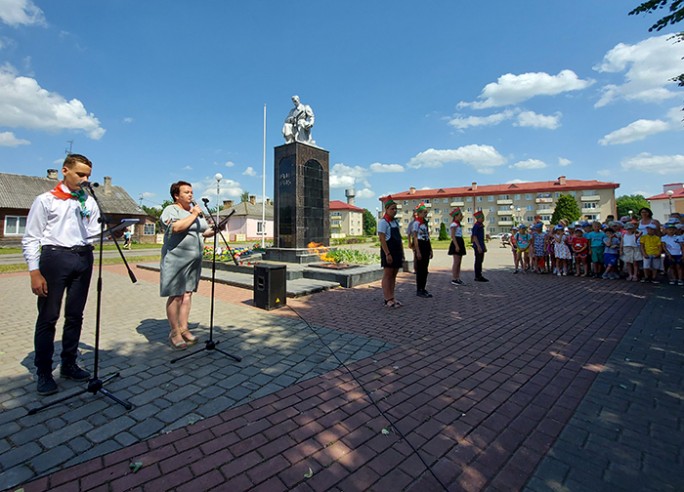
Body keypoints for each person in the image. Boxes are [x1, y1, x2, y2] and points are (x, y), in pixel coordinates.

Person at [22, 154, 101, 395]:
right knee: (49, 316)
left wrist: (109, 233)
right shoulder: (46, 200)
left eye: (88, 175)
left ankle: (69, 363)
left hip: (83, 257)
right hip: (55, 258)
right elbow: (32, 237)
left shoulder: (88, 201)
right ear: (65, 170)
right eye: (80, 174)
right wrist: (34, 271)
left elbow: (94, 232)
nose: (85, 179)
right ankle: (44, 371)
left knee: (75, 315)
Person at [160, 181, 218, 349]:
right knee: (176, 295)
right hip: (176, 259)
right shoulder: (171, 210)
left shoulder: (195, 212)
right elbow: (176, 228)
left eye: (191, 192)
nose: (191, 195)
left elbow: (203, 232)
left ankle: (184, 329)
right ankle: (174, 332)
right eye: (186, 192)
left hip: (194, 260)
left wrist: (216, 229)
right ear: (176, 195)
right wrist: (193, 214)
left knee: (187, 294)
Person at [378, 197, 404, 307]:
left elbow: (399, 239)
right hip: (388, 251)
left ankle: (392, 297)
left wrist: (402, 253)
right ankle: (387, 298)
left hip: (397, 251)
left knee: (394, 275)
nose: (394, 211)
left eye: (396, 209)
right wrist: (387, 254)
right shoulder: (383, 222)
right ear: (386, 209)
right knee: (388, 275)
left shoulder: (395, 223)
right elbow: (382, 239)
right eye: (392, 209)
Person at [411, 203, 433, 297]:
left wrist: (430, 249)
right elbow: (415, 237)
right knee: (420, 269)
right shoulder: (416, 223)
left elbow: (427, 236)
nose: (425, 214)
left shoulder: (425, 223)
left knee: (425, 269)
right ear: (419, 213)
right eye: (424, 212)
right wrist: (417, 251)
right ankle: (419, 289)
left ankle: (423, 288)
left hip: (426, 245)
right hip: (420, 245)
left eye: (426, 212)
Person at [448, 208, 466, 285]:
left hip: (460, 241)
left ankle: (458, 277)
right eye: (460, 215)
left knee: (459, 262)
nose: (461, 217)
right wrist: (456, 246)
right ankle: (454, 278)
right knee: (456, 262)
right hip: (456, 242)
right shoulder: (454, 225)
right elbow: (452, 236)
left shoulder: (458, 224)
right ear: (456, 216)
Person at [471, 210, 488, 282]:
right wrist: (478, 246)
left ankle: (479, 275)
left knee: (481, 260)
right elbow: (474, 237)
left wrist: (484, 246)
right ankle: (477, 276)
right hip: (478, 246)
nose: (483, 219)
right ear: (478, 218)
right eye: (482, 217)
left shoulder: (481, 226)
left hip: (481, 245)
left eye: (483, 217)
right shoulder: (476, 226)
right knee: (478, 261)